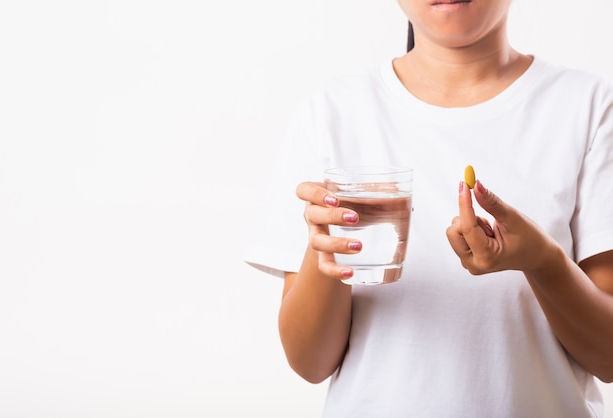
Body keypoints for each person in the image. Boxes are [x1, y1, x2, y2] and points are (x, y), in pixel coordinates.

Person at [244, 0, 613, 416]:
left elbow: (609, 357)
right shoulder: (332, 112)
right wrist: (327, 249)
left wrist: (544, 262)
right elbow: (309, 363)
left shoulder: (589, 106)